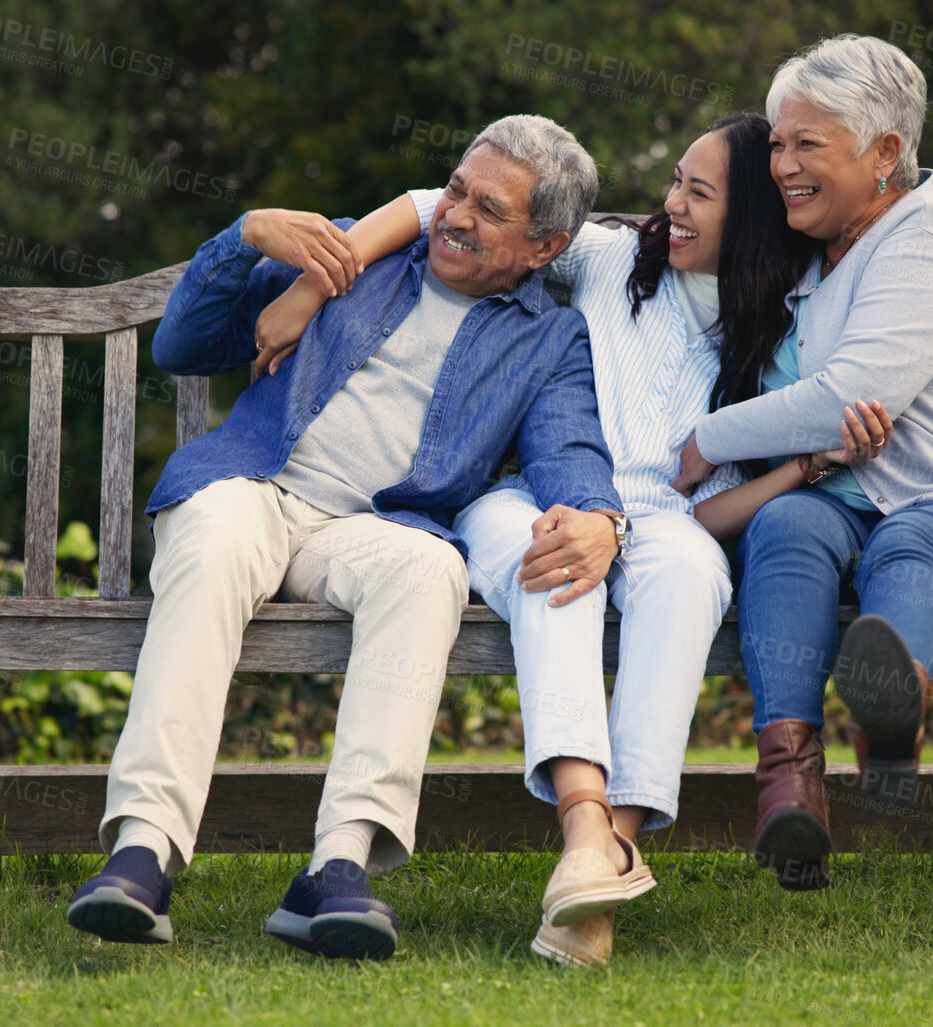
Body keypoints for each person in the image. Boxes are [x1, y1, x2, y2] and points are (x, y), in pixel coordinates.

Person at [255, 113, 895, 964]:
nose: (668, 206)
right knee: (551, 560)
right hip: (534, 498)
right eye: (673, 181)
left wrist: (803, 467)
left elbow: (704, 513)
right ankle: (586, 822)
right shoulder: (608, 257)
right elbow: (425, 202)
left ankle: (599, 855)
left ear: (748, 220)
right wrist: (310, 285)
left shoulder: (780, 331)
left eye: (696, 194)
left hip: (665, 524)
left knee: (690, 574)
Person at [65, 115, 627, 962]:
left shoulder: (546, 338)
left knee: (433, 565)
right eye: (455, 191)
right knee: (215, 534)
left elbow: (569, 446)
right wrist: (244, 234)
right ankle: (141, 852)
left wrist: (595, 512)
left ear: (543, 247)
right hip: (253, 487)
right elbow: (183, 345)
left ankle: (337, 867)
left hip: (369, 530)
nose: (456, 215)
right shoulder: (348, 258)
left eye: (488, 209)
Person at [671, 34, 933, 889]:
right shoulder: (817, 248)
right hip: (847, 506)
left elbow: (851, 391)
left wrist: (706, 440)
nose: (782, 165)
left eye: (808, 143)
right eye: (777, 142)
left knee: (906, 543)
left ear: (885, 152)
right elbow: (676, 233)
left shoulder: (926, 233)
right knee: (785, 522)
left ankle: (894, 708)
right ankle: (789, 785)